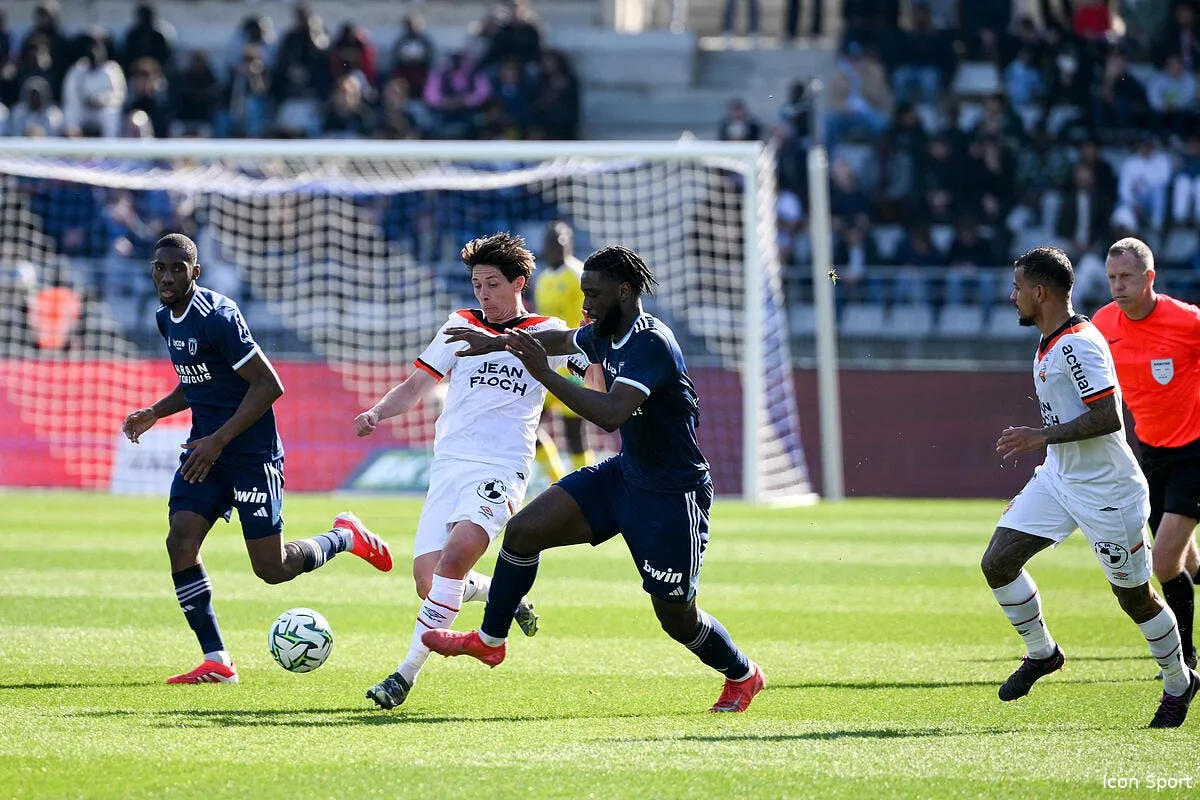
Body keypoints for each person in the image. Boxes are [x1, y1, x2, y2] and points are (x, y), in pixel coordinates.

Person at [423, 245, 766, 713]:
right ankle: (490, 640)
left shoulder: (651, 342)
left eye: (594, 293)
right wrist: (497, 341)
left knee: (676, 618)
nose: (585, 304)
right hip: (624, 477)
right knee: (523, 532)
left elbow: (609, 414)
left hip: (672, 496)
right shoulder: (603, 330)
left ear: (624, 292)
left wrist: (541, 375)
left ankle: (743, 675)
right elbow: (561, 340)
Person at [122, 234, 393, 685]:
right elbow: (200, 381)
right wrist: (156, 411)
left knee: (272, 569)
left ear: (196, 271)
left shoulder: (219, 317)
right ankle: (217, 660)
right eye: (160, 268)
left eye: (177, 268)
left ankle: (343, 537)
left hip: (249, 453)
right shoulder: (166, 319)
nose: (168, 277)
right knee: (180, 541)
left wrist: (219, 440)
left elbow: (269, 386)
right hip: (206, 452)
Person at [980, 246, 1200, 728]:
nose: (1012, 296)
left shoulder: (1077, 343)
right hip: (1059, 479)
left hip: (1108, 493)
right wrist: (1048, 445)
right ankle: (1043, 653)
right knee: (997, 561)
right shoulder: (1049, 340)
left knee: (1135, 599)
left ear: (1040, 293)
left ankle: (1179, 682)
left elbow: (1107, 416)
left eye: (1018, 287)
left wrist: (1040, 435)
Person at [361, 233, 559, 709]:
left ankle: (402, 675)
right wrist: (377, 413)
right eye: (477, 284)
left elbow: (589, 374)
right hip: (449, 464)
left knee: (455, 559)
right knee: (429, 583)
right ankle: (505, 597)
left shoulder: (549, 330)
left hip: (502, 466)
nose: (483, 294)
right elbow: (416, 385)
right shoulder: (458, 324)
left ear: (519, 283)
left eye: (492, 283)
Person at [1093, 237, 1200, 676]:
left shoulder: (1187, 322)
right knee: (1189, 564)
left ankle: (1184, 661)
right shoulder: (1102, 324)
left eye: (1126, 277)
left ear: (1149, 277)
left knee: (1163, 562)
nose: (1117, 286)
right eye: (1112, 278)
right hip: (1151, 455)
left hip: (1196, 453)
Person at [532, 221, 595, 482]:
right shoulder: (543, 279)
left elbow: (592, 317)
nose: (555, 246)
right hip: (549, 363)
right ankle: (557, 482)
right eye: (551, 241)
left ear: (569, 243)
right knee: (527, 424)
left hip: (576, 363)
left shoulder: (579, 275)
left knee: (574, 431)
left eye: (560, 240)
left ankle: (586, 485)